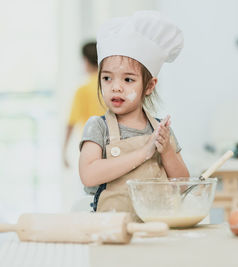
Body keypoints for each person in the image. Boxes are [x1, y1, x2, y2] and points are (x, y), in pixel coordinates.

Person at [79, 11, 190, 218]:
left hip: (158, 227)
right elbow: (88, 175)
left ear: (149, 86)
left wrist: (165, 150)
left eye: (128, 80)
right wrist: (144, 153)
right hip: (112, 227)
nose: (116, 88)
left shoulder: (160, 130)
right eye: (107, 78)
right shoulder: (98, 127)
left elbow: (183, 183)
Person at [63, 42, 106, 168]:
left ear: (85, 61)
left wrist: (64, 151)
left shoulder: (83, 89)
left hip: (91, 146)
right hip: (115, 144)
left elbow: (71, 123)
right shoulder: (111, 85)